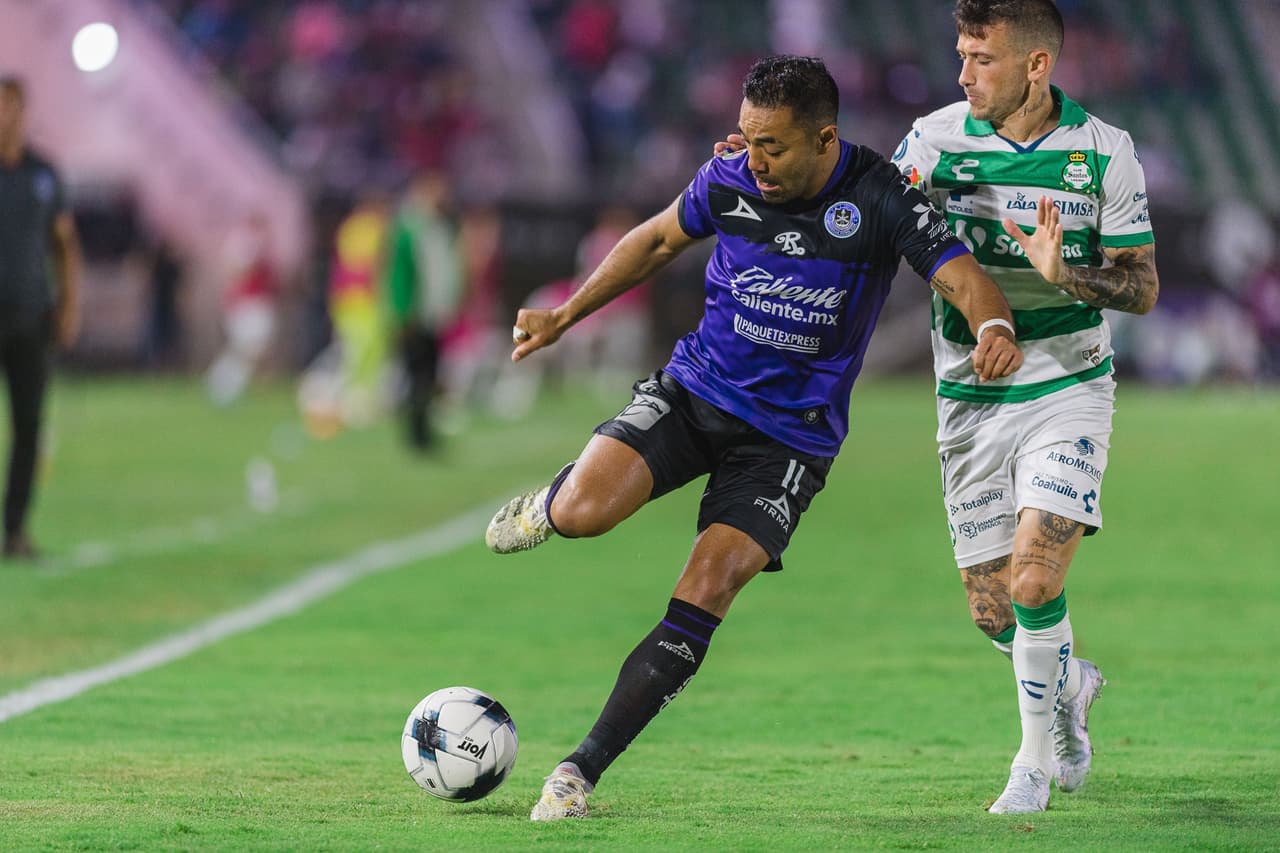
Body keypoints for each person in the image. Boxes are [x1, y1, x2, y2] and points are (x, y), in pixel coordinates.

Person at [484, 55, 1024, 821]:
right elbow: (655, 240)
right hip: (694, 391)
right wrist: (564, 315)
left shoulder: (879, 197)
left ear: (824, 138)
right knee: (583, 514)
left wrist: (994, 323)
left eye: (771, 144)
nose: (752, 158)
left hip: (788, 441)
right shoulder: (732, 177)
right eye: (744, 137)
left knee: (707, 587)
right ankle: (554, 500)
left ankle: (579, 769)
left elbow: (961, 274)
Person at [0, 75, 81, 559]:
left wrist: (70, 305)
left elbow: (65, 247)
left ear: (23, 111)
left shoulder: (44, 175)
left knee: (29, 426)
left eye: (10, 106)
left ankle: (15, 529)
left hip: (30, 318)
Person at [383, 172, 465, 451]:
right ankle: (416, 435)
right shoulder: (409, 230)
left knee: (429, 375)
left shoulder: (440, 228)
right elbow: (400, 275)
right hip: (415, 314)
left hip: (432, 313)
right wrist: (403, 311)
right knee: (416, 374)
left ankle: (424, 431)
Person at [205, 212, 278, 406]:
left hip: (252, 301)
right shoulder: (248, 241)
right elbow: (237, 271)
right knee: (248, 348)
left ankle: (226, 384)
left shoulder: (251, 241)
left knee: (252, 348)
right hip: (248, 302)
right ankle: (221, 382)